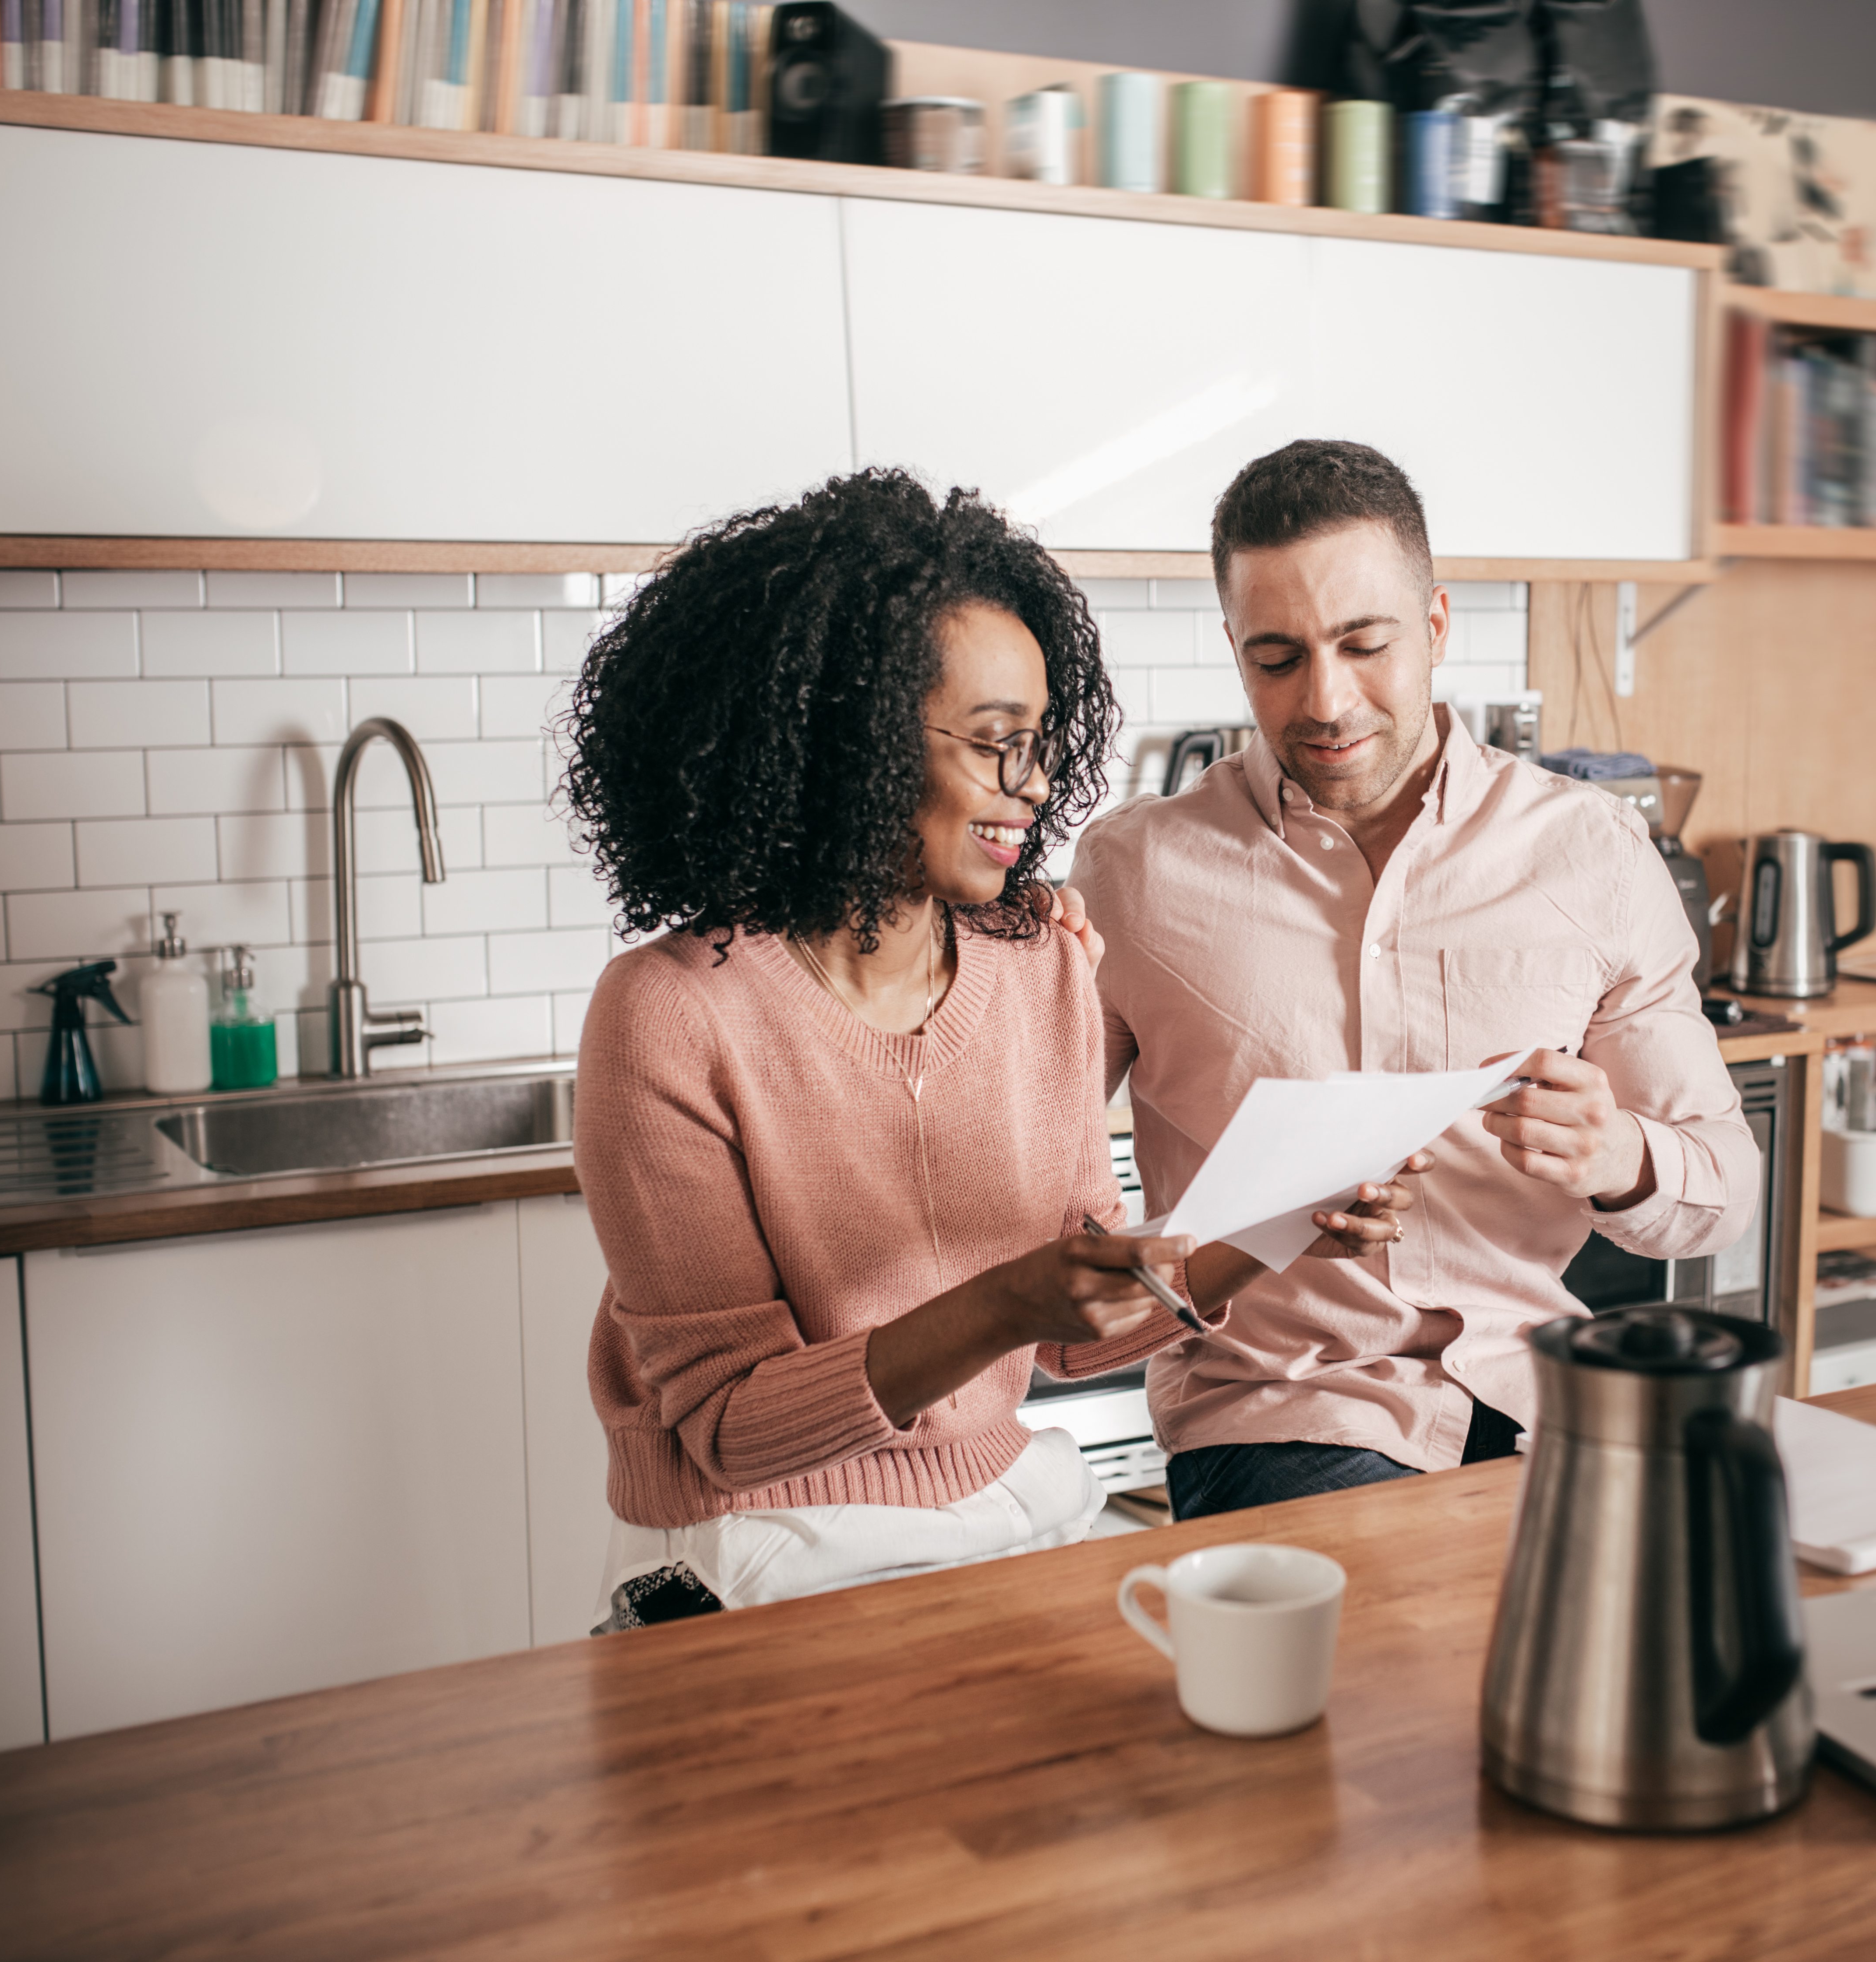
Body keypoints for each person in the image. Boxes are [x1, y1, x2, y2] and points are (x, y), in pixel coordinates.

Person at [559, 469, 1418, 1627]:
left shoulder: (1044, 966)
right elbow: (730, 1429)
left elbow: (1071, 1329)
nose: (1037, 786)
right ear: (844, 739)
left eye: (1044, 742)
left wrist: (1279, 1231)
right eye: (996, 742)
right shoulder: (668, 1014)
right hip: (754, 1552)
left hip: (999, 1512)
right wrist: (1004, 1307)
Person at [1074, 440, 1761, 1521]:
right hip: (1288, 1405)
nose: (1327, 700)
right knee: (1393, 1665)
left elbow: (1727, 1183)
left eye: (1364, 643)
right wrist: (1245, 1233)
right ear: (1234, 652)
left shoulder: (1590, 851)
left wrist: (1620, 1155)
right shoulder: (1136, 872)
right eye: (1277, 657)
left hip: (1541, 1388)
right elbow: (1038, 1194)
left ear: (1436, 625)